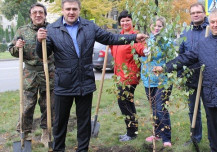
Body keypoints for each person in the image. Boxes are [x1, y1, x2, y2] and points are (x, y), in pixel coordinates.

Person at [36, 1, 148, 151]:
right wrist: (39, 42)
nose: (71, 12)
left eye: (74, 9)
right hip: (64, 84)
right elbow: (43, 55)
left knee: (84, 122)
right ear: (62, 10)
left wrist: (134, 37)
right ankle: (58, 149)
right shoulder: (52, 29)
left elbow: (110, 38)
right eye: (68, 9)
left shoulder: (89, 26)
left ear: (79, 10)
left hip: (85, 83)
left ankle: (83, 149)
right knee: (60, 122)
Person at [153, 9, 217, 152]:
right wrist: (165, 67)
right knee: (214, 133)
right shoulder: (203, 44)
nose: (215, 25)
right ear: (209, 23)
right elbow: (185, 58)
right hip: (211, 95)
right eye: (212, 22)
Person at [8, 3, 54, 147]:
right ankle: (24, 132)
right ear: (30, 15)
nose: (38, 15)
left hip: (48, 72)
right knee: (27, 105)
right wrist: (17, 47)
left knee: (48, 105)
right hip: (29, 73)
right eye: (35, 12)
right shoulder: (22, 30)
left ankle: (46, 132)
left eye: (41, 12)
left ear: (45, 15)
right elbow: (11, 49)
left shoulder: (52, 29)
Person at [110, 10, 145, 142]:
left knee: (123, 102)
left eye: (127, 20)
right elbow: (116, 53)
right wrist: (111, 44)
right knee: (127, 102)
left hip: (130, 76)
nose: (125, 23)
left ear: (132, 21)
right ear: (119, 23)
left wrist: (145, 50)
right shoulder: (119, 36)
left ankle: (131, 132)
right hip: (120, 75)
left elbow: (141, 49)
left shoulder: (135, 36)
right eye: (122, 21)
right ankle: (132, 131)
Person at [178, 2, 210, 145]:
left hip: (209, 79)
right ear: (190, 15)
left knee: (211, 112)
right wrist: (180, 76)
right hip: (190, 78)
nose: (196, 14)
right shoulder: (186, 33)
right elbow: (181, 55)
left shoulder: (211, 29)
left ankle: (214, 140)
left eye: (198, 12)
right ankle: (195, 138)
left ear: (204, 13)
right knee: (193, 111)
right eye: (193, 13)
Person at [140, 16, 172, 147]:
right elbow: (139, 55)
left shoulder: (167, 42)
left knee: (160, 108)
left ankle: (166, 139)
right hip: (148, 80)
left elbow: (171, 61)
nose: (156, 28)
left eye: (159, 26)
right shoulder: (146, 40)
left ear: (163, 28)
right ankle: (157, 134)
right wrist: (142, 52)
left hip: (162, 81)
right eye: (154, 25)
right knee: (153, 108)